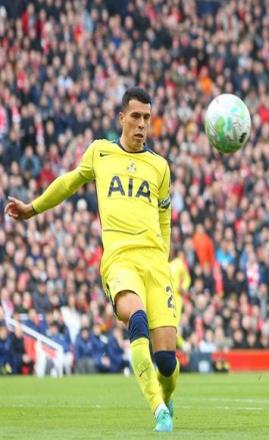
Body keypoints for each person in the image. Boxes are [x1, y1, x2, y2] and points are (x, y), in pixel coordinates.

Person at [5, 87, 178, 432]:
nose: (142, 124)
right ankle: (158, 409)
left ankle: (167, 395)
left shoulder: (160, 167)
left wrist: (163, 258)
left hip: (156, 266)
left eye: (147, 117)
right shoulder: (100, 152)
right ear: (122, 118)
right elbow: (68, 183)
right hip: (120, 260)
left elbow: (165, 219)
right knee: (136, 318)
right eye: (135, 116)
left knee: (166, 362)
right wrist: (32, 208)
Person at [169, 247, 192, 350]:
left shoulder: (178, 262)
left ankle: (181, 344)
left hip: (176, 299)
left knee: (174, 324)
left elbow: (187, 278)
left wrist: (183, 287)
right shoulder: (160, 263)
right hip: (163, 298)